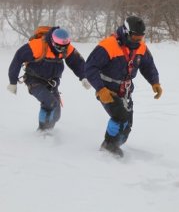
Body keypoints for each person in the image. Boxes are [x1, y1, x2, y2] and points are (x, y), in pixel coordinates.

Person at [85, 15, 162, 157]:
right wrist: (100, 89)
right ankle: (108, 147)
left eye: (141, 38)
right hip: (107, 90)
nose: (138, 41)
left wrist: (154, 82)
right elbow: (90, 67)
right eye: (135, 38)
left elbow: (148, 65)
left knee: (127, 124)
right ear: (126, 33)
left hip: (125, 91)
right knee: (120, 117)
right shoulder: (108, 45)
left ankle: (114, 146)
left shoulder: (141, 46)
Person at [7, 26, 91, 132]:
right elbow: (18, 58)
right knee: (50, 103)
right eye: (59, 47)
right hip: (34, 81)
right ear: (52, 41)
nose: (62, 49)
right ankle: (42, 132)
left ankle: (48, 131)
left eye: (65, 47)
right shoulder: (38, 45)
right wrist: (12, 81)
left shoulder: (66, 47)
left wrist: (84, 77)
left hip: (52, 82)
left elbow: (77, 62)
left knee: (56, 114)